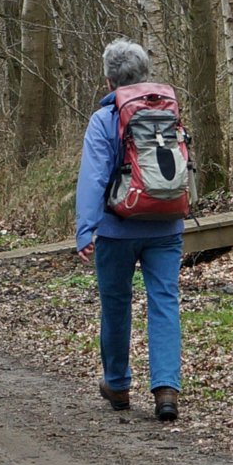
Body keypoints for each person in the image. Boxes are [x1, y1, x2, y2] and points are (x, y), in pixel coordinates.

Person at [75, 38, 183, 421]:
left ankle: (118, 384)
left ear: (109, 81)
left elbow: (93, 177)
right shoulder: (169, 112)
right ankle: (166, 389)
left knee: (116, 304)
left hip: (116, 228)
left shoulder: (104, 119)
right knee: (164, 302)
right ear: (145, 75)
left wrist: (85, 229)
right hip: (166, 223)